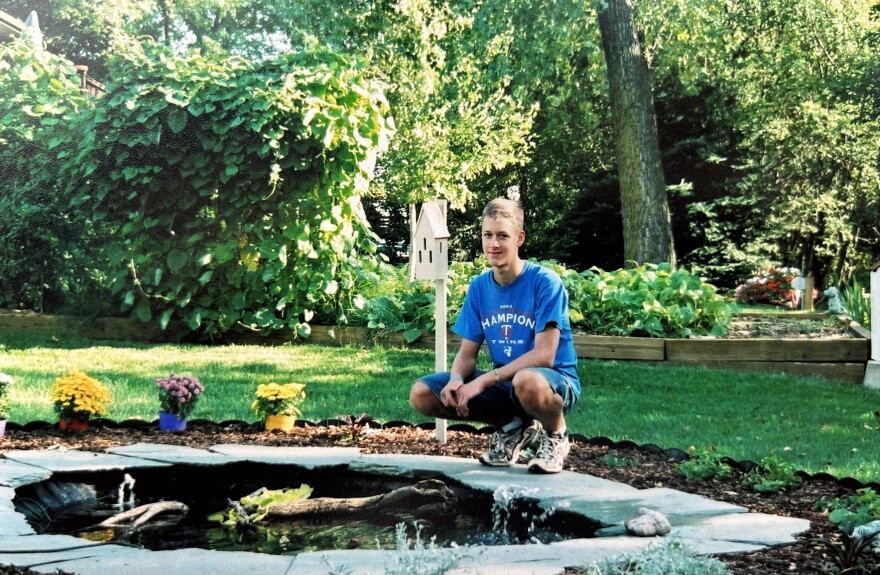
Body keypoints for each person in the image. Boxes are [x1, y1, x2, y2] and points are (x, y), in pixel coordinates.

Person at [409, 197, 580, 474]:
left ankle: (556, 435)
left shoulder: (545, 283)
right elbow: (467, 354)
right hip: (507, 384)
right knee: (423, 394)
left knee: (527, 381)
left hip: (553, 383)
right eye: (488, 235)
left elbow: (544, 356)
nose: (493, 244)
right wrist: (456, 379)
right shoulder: (479, 287)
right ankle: (514, 427)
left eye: (502, 236)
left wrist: (484, 381)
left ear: (519, 238)